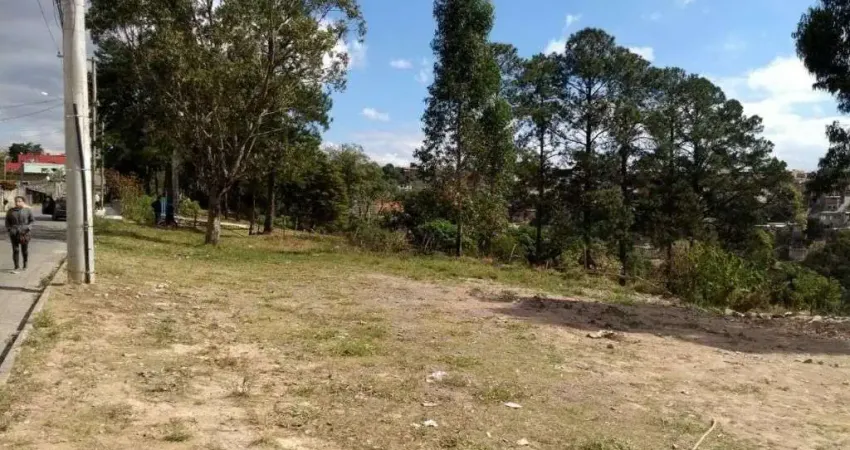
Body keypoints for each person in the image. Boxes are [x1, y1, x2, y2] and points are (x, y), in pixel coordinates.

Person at [5, 196, 34, 272]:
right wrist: (9, 229)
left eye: (19, 201)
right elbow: (7, 221)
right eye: (16, 201)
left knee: (24, 250)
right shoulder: (10, 211)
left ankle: (25, 263)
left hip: (25, 232)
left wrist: (28, 228)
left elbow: (32, 221)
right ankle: (16, 266)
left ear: (23, 202)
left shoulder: (28, 210)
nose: (17, 203)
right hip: (14, 232)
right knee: (15, 249)